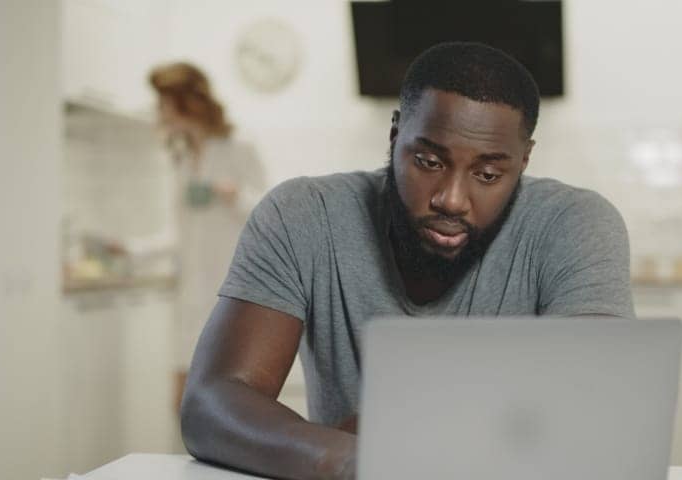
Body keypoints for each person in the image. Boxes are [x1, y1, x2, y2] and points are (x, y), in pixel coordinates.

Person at [180, 42, 634, 479]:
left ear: (524, 160)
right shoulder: (302, 215)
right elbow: (212, 403)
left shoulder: (576, 224)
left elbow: (595, 411)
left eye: (488, 174)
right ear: (395, 134)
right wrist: (353, 462)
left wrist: (393, 437)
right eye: (429, 161)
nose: (452, 199)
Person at [126, 62, 266, 385]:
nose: (158, 111)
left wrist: (235, 196)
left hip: (230, 296)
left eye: (163, 103)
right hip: (190, 295)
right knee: (182, 400)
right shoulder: (183, 158)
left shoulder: (238, 145)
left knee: (222, 402)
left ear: (185, 102)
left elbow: (269, 215)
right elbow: (181, 233)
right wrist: (131, 250)